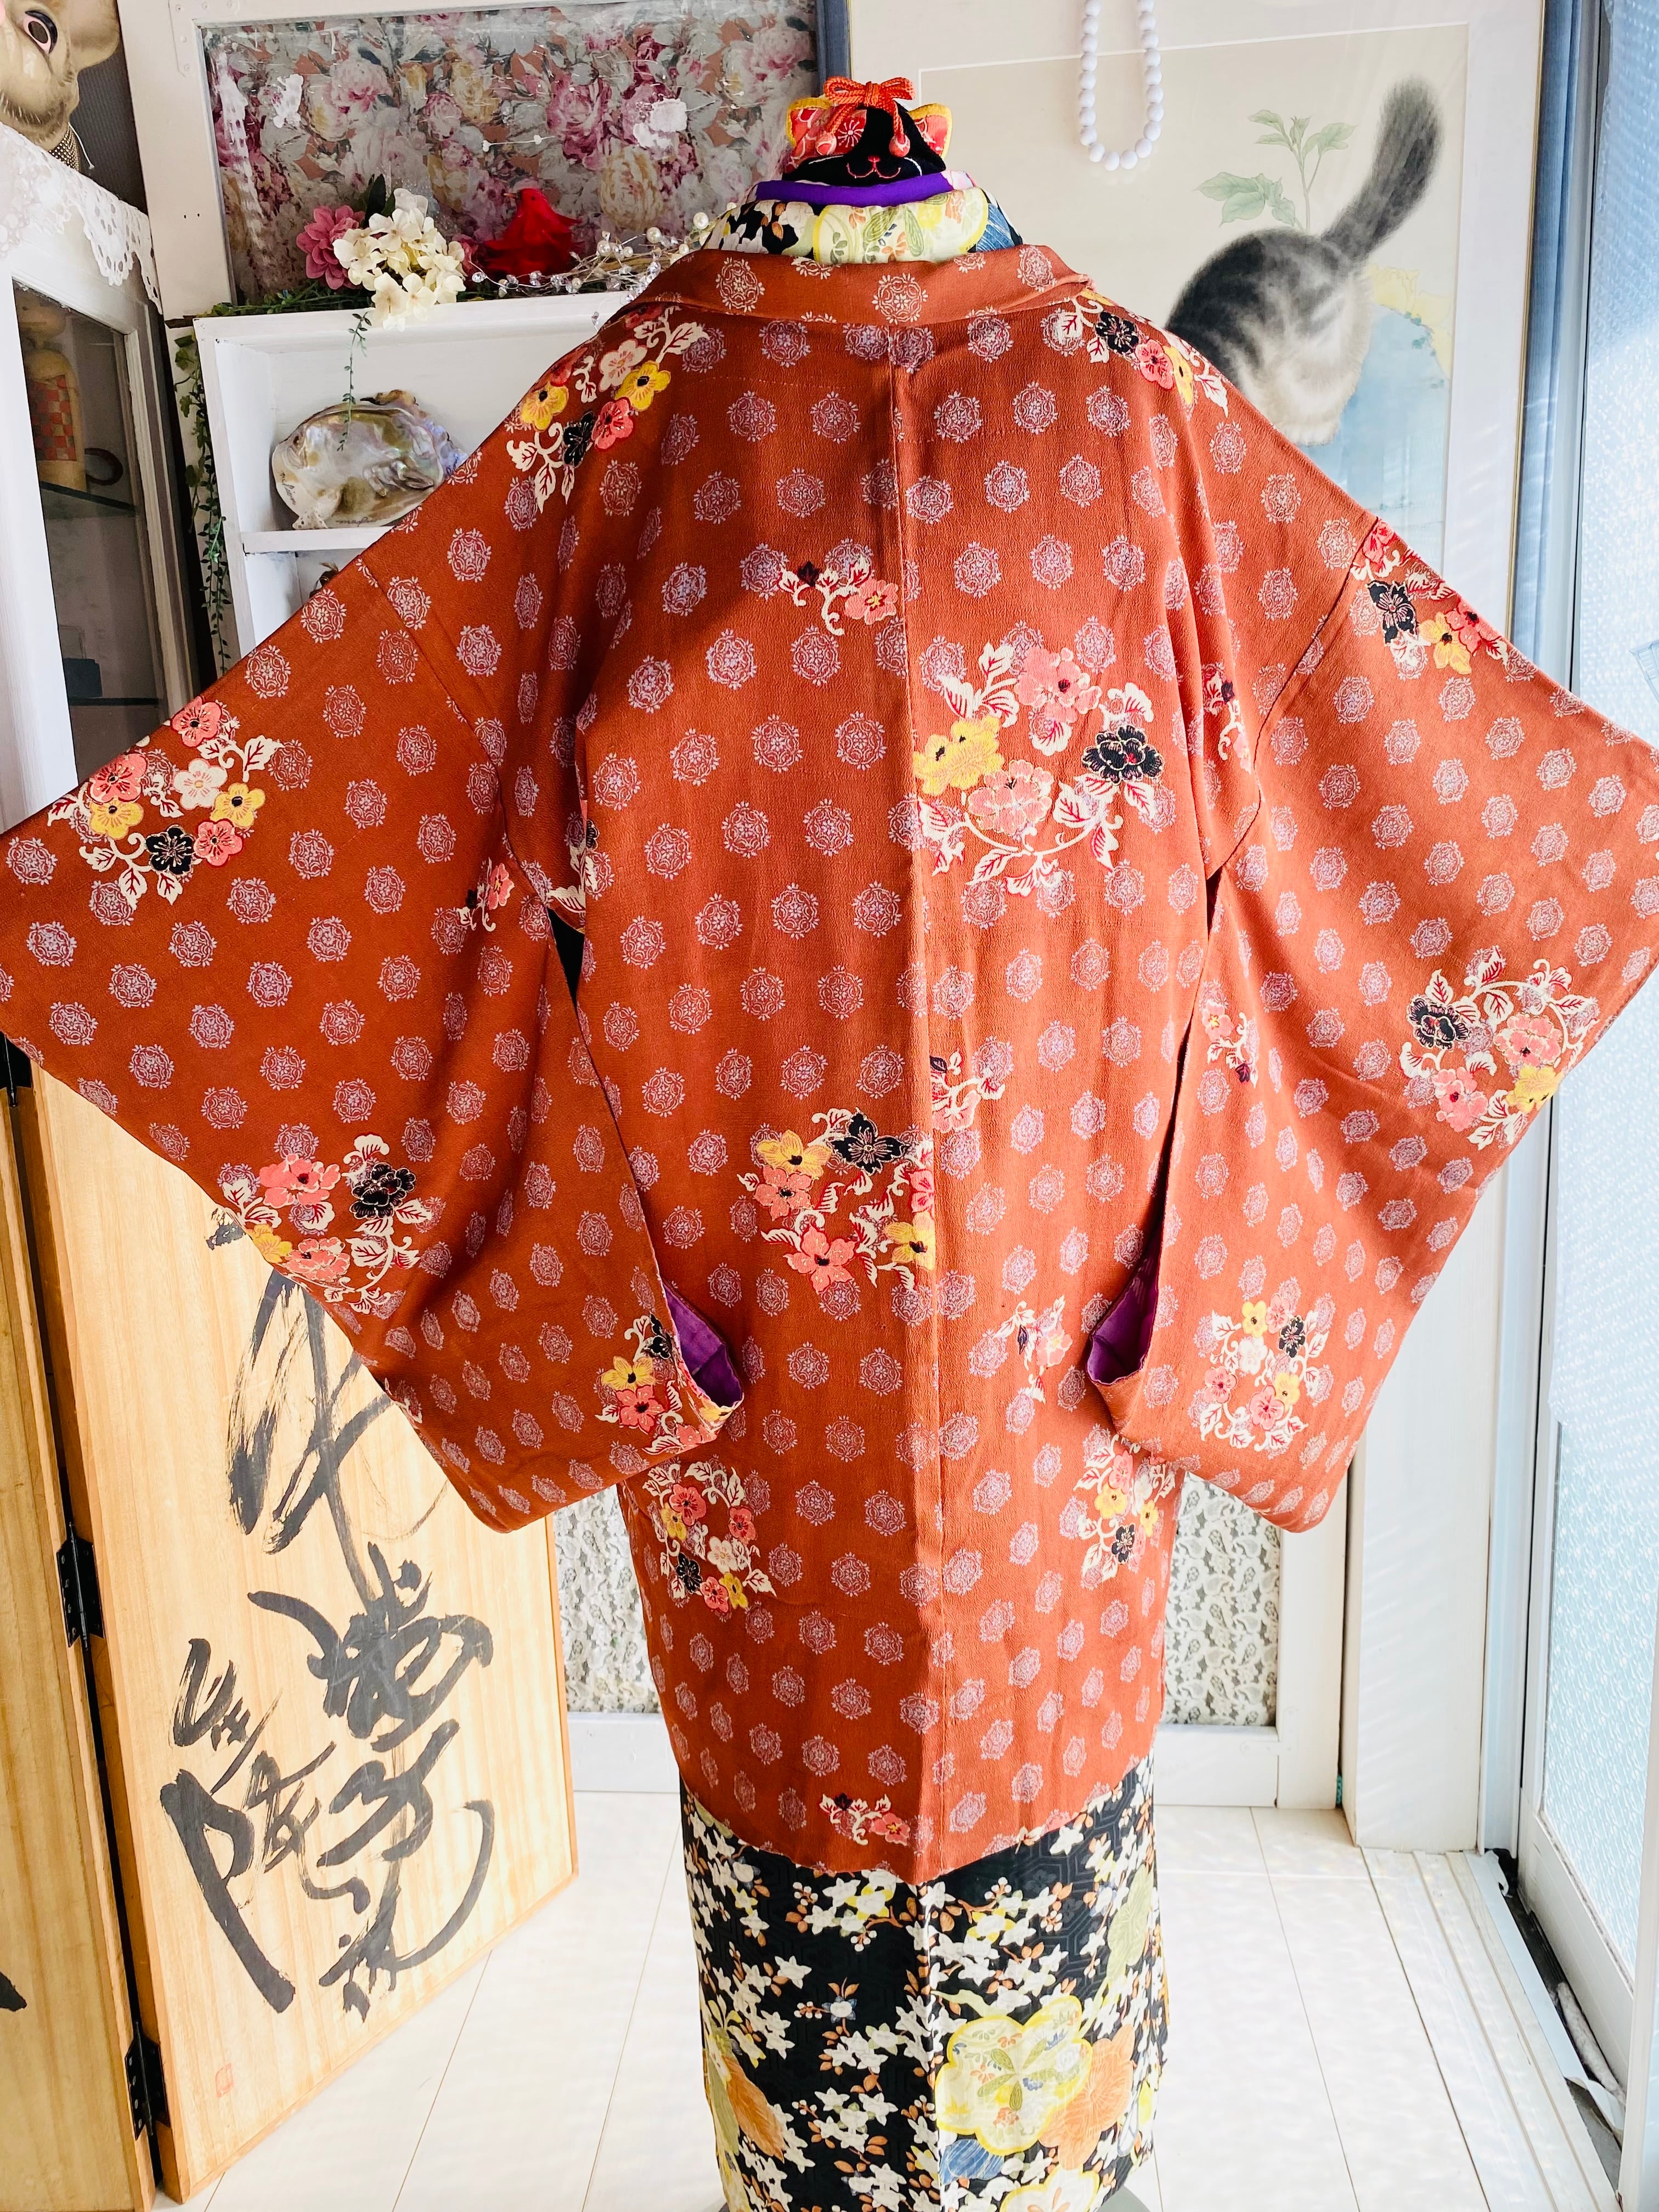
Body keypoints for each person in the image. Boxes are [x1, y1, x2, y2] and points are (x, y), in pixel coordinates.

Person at [4, 76, 1657, 2212]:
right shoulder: (818, 412)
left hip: (1031, 1355)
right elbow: (1435, 822)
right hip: (769, 1359)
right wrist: (586, 1305)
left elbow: (369, 830)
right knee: (800, 1857)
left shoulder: (731, 421)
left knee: (1044, 1820)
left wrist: (1210, 1284)